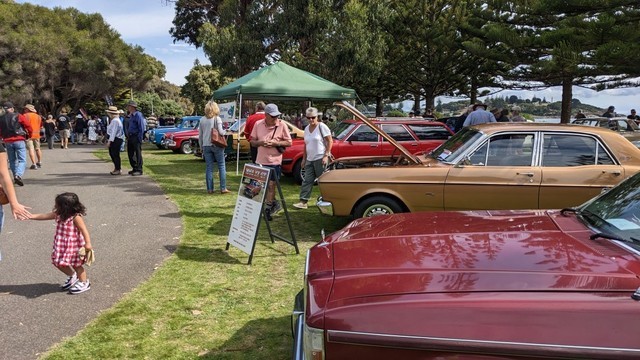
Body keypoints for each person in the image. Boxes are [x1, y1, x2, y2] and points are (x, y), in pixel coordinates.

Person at [29, 192, 92, 294]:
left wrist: (88, 243)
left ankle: (84, 282)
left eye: (57, 205)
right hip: (61, 245)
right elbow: (43, 216)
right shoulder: (59, 214)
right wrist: (29, 216)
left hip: (73, 246)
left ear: (65, 206)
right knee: (57, 262)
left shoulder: (76, 217)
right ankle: (72, 276)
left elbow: (84, 230)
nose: (55, 206)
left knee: (76, 265)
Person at [250, 103, 292, 220]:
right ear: (266, 115)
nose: (275, 118)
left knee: (271, 186)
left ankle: (268, 209)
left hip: (275, 161)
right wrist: (261, 143)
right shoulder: (258, 124)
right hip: (260, 161)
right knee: (259, 186)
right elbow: (252, 141)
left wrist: (276, 143)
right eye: (273, 116)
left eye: (277, 116)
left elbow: (289, 142)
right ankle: (258, 208)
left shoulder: (282, 125)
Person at [293, 107, 332, 210]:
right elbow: (305, 145)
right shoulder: (306, 129)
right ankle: (303, 201)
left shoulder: (322, 126)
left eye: (313, 117)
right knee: (307, 180)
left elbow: (330, 141)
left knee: (323, 181)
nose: (311, 120)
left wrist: (326, 155)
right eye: (308, 118)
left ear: (317, 117)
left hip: (320, 158)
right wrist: (304, 159)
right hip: (309, 159)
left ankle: (329, 200)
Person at [199, 101, 229, 194]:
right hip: (217, 145)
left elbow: (200, 135)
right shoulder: (217, 118)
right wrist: (227, 131)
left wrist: (201, 146)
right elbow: (221, 132)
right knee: (221, 166)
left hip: (206, 145)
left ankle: (210, 189)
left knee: (209, 167)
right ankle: (223, 188)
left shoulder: (202, 120)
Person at [0, 102, 32, 186]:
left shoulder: (1, 118)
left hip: (7, 140)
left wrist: (2, 138)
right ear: (12, 108)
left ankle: (15, 176)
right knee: (22, 160)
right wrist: (29, 135)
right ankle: (18, 175)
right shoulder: (18, 116)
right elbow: (28, 126)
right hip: (19, 139)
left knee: (12, 160)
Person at [126, 100, 145, 176]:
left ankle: (139, 169)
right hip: (131, 136)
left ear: (132, 107)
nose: (128, 107)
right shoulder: (131, 115)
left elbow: (141, 127)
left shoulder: (138, 115)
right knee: (130, 153)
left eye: (129, 106)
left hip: (136, 136)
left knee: (137, 153)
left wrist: (140, 138)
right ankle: (134, 167)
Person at [105, 106, 125, 175]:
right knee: (113, 154)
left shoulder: (115, 121)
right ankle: (117, 168)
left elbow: (113, 132)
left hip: (116, 139)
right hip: (116, 138)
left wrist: (109, 141)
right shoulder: (115, 120)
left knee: (115, 154)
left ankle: (118, 168)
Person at [23, 104, 43, 169]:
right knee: (37, 148)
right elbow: (40, 126)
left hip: (28, 135)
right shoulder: (38, 117)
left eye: (25, 109)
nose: (24, 110)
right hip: (37, 135)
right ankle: (39, 162)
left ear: (28, 109)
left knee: (31, 149)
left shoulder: (25, 116)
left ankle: (34, 164)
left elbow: (23, 125)